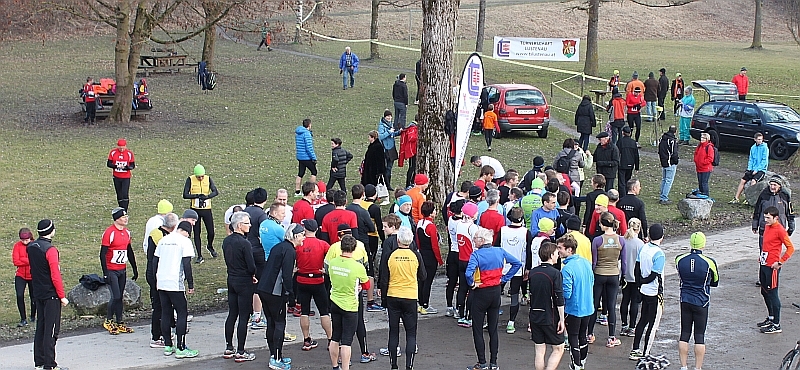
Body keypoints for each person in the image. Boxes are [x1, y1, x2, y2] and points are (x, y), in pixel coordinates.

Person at [465, 227, 522, 370]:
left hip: (481, 293)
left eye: (476, 238)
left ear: (482, 241)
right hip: (496, 292)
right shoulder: (499, 251)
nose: (474, 240)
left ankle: (482, 363)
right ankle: (494, 363)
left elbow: (468, 274)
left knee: (477, 329)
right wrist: (504, 278)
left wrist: (472, 283)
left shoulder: (476, 255)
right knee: (493, 329)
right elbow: (517, 263)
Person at [379, 227, 426, 370]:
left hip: (393, 295)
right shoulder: (416, 255)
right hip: (410, 296)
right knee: (411, 333)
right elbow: (423, 276)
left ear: (398, 239)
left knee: (393, 332)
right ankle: (409, 366)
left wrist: (384, 300)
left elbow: (384, 279)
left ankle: (394, 365)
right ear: (410, 240)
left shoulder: (390, 255)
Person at [258, 224, 301, 369]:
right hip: (275, 292)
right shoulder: (289, 251)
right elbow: (286, 276)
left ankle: (275, 355)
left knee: (271, 322)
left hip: (264, 288)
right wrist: (291, 296)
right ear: (295, 236)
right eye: (302, 236)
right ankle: (276, 358)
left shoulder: (279, 247)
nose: (303, 239)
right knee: (279, 323)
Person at [28, 220, 69, 370]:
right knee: (51, 330)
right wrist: (62, 296)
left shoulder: (32, 247)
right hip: (51, 294)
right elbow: (55, 275)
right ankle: (50, 363)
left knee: (41, 327)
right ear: (51, 231)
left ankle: (39, 361)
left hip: (38, 292)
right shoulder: (50, 250)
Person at [676, 232, 719, 370]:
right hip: (702, 301)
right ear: (703, 244)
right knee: (699, 335)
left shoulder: (679, 259)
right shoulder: (709, 262)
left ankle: (683, 366)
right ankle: (697, 368)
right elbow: (715, 281)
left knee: (684, 333)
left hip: (685, 300)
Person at [327, 235, 371, 370]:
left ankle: (335, 366)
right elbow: (367, 285)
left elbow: (329, 276)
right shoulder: (357, 266)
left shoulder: (333, 262)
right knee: (346, 341)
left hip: (334, 302)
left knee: (335, 337)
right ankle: (345, 368)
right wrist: (360, 287)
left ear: (341, 247)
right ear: (354, 248)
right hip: (350, 306)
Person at [154, 221, 196, 358]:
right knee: (182, 312)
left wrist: (156, 280)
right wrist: (190, 284)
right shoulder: (185, 242)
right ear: (187, 231)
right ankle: (181, 347)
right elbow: (187, 264)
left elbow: (155, 261)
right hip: (175, 282)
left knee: (166, 312)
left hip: (162, 280)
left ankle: (167, 345)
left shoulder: (164, 240)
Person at [222, 212, 258, 362]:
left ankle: (229, 347)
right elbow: (251, 266)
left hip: (232, 279)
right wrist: (253, 274)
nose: (250, 225)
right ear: (239, 225)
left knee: (232, 314)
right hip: (244, 281)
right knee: (244, 316)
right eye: (247, 223)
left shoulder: (226, 241)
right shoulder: (245, 243)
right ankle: (241, 351)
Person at [588, 212, 626, 348]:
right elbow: (624, 261)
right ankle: (611, 337)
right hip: (614, 274)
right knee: (611, 306)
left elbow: (594, 261)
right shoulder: (621, 240)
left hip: (599, 274)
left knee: (594, 304)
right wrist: (623, 276)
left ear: (603, 225)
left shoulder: (597, 240)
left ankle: (590, 334)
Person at [630, 224, 666, 360]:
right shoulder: (659, 254)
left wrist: (639, 283)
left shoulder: (644, 248)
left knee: (642, 320)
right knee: (653, 324)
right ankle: (646, 353)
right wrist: (644, 281)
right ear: (662, 237)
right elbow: (654, 275)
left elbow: (637, 268)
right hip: (654, 292)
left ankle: (635, 349)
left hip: (644, 291)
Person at [295, 219, 333, 351]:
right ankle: (330, 340)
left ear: (304, 230)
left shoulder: (298, 244)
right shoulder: (323, 244)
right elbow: (332, 258)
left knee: (304, 311)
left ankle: (306, 340)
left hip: (302, 280)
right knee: (324, 312)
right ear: (317, 230)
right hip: (318, 281)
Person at [558, 234, 594, 370]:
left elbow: (566, 293)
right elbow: (592, 281)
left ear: (569, 250)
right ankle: (582, 362)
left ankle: (576, 365)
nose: (558, 250)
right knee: (583, 335)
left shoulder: (566, 269)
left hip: (574, 309)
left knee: (573, 337)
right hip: (588, 307)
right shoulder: (585, 262)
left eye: (560, 248)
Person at [100, 207, 138, 335]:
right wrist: (105, 272)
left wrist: (134, 268)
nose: (126, 219)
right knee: (115, 296)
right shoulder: (109, 233)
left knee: (120, 296)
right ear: (117, 219)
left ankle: (119, 322)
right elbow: (102, 254)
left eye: (127, 216)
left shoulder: (127, 233)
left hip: (122, 269)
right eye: (123, 217)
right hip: (112, 270)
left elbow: (129, 251)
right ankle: (109, 320)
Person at [757, 206, 794, 334]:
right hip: (763, 263)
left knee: (773, 294)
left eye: (768, 218)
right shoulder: (767, 226)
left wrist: (780, 262)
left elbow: (790, 248)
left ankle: (777, 324)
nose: (765, 219)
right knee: (764, 291)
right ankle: (771, 317)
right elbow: (767, 245)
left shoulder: (780, 230)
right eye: (765, 217)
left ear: (776, 218)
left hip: (772, 267)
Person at [528, 241, 565, 370]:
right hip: (550, 316)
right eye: (556, 253)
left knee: (539, 349)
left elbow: (532, 295)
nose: (558, 255)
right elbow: (558, 298)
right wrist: (562, 319)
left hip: (535, 315)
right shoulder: (556, 274)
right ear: (550, 255)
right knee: (559, 348)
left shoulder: (533, 272)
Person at [496, 207, 532, 334]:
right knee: (514, 295)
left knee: (496, 293)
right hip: (518, 268)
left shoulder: (503, 230)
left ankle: (492, 319)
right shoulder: (526, 232)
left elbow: (496, 247)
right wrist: (528, 268)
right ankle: (511, 323)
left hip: (502, 267)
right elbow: (529, 252)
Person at [146, 212, 178, 348]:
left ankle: (165, 331)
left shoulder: (155, 233)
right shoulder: (163, 238)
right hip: (157, 275)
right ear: (174, 226)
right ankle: (156, 336)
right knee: (159, 306)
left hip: (155, 273)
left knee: (165, 305)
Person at [752, 176, 795, 270]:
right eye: (771, 184)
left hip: (779, 229)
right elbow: (757, 210)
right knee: (763, 252)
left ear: (779, 186)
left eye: (774, 185)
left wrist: (791, 226)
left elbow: (790, 212)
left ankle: (774, 272)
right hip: (764, 228)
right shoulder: (764, 195)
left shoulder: (785, 195)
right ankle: (762, 276)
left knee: (775, 252)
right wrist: (755, 225)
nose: (772, 187)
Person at [182, 164, 220, 262]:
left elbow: (215, 191)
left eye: (202, 176)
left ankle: (210, 246)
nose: (201, 178)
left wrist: (207, 196)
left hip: (207, 209)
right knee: (197, 233)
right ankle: (199, 255)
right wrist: (196, 196)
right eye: (198, 177)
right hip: (195, 210)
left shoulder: (208, 179)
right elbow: (185, 195)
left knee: (211, 231)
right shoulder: (190, 179)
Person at [455, 202, 480, 327]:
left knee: (462, 287)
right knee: (472, 288)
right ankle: (469, 316)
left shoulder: (459, 224)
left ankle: (461, 314)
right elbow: (476, 245)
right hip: (471, 261)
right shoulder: (473, 227)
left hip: (461, 259)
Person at [416, 201, 443, 315]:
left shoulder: (419, 223)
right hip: (430, 256)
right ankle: (426, 305)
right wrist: (439, 260)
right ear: (431, 213)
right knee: (428, 281)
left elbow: (417, 240)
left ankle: (421, 303)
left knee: (421, 280)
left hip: (421, 254)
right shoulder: (431, 226)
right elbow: (435, 245)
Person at [620, 218, 644, 337]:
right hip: (636, 276)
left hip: (625, 275)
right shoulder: (640, 244)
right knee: (635, 302)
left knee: (625, 300)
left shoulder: (623, 240)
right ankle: (632, 326)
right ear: (638, 229)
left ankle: (624, 325)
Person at [731, 133, 769, 204]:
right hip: (752, 168)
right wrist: (749, 169)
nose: (760, 141)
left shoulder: (765, 148)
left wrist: (757, 170)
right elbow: (751, 159)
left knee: (753, 181)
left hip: (761, 170)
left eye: (761, 139)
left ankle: (748, 198)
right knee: (742, 180)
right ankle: (736, 198)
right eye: (758, 139)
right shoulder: (753, 148)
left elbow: (764, 161)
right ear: (755, 139)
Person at [13, 228, 36, 327]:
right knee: (19, 295)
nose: (25, 242)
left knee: (34, 296)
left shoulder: (35, 245)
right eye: (22, 240)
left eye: (26, 240)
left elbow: (36, 260)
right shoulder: (17, 246)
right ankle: (23, 318)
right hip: (21, 275)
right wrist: (28, 260)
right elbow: (16, 261)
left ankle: (33, 316)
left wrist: (23, 260)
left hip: (33, 275)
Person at [107, 138, 135, 211]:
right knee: (119, 193)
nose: (121, 149)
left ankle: (125, 210)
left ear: (125, 146)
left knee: (125, 193)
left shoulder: (129, 153)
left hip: (126, 177)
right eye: (120, 148)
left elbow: (132, 165)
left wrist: (126, 168)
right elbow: (109, 164)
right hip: (116, 176)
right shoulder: (113, 152)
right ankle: (121, 208)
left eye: (123, 148)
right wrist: (116, 166)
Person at [295, 118, 318, 197]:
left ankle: (297, 192)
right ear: (309, 125)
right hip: (307, 157)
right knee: (314, 172)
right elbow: (309, 147)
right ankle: (311, 190)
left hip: (300, 157)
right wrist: (313, 157)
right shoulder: (307, 134)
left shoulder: (298, 133)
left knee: (300, 173)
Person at [378, 110, 401, 190]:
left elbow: (392, 134)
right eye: (388, 116)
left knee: (389, 168)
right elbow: (380, 136)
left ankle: (388, 185)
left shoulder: (390, 124)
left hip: (391, 149)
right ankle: (384, 184)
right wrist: (389, 132)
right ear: (384, 117)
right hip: (385, 149)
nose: (389, 118)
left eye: (390, 116)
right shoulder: (381, 126)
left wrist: (398, 132)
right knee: (385, 168)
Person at [658, 125, 679, 205]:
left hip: (663, 162)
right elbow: (674, 153)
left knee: (664, 179)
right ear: (675, 131)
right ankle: (664, 197)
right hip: (670, 163)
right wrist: (676, 161)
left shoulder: (662, 139)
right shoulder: (672, 141)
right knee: (668, 181)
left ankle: (662, 195)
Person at [616, 126, 640, 194]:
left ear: (623, 133)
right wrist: (637, 167)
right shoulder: (633, 142)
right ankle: (627, 193)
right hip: (630, 164)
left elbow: (617, 153)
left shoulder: (620, 141)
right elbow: (636, 155)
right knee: (628, 180)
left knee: (621, 182)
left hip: (622, 164)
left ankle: (622, 195)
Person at [399, 118, 419, 188]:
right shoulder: (413, 128)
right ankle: (408, 183)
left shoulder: (413, 127)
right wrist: (418, 136)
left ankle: (412, 182)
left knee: (414, 167)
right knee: (412, 167)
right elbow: (411, 138)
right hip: (412, 151)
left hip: (413, 151)